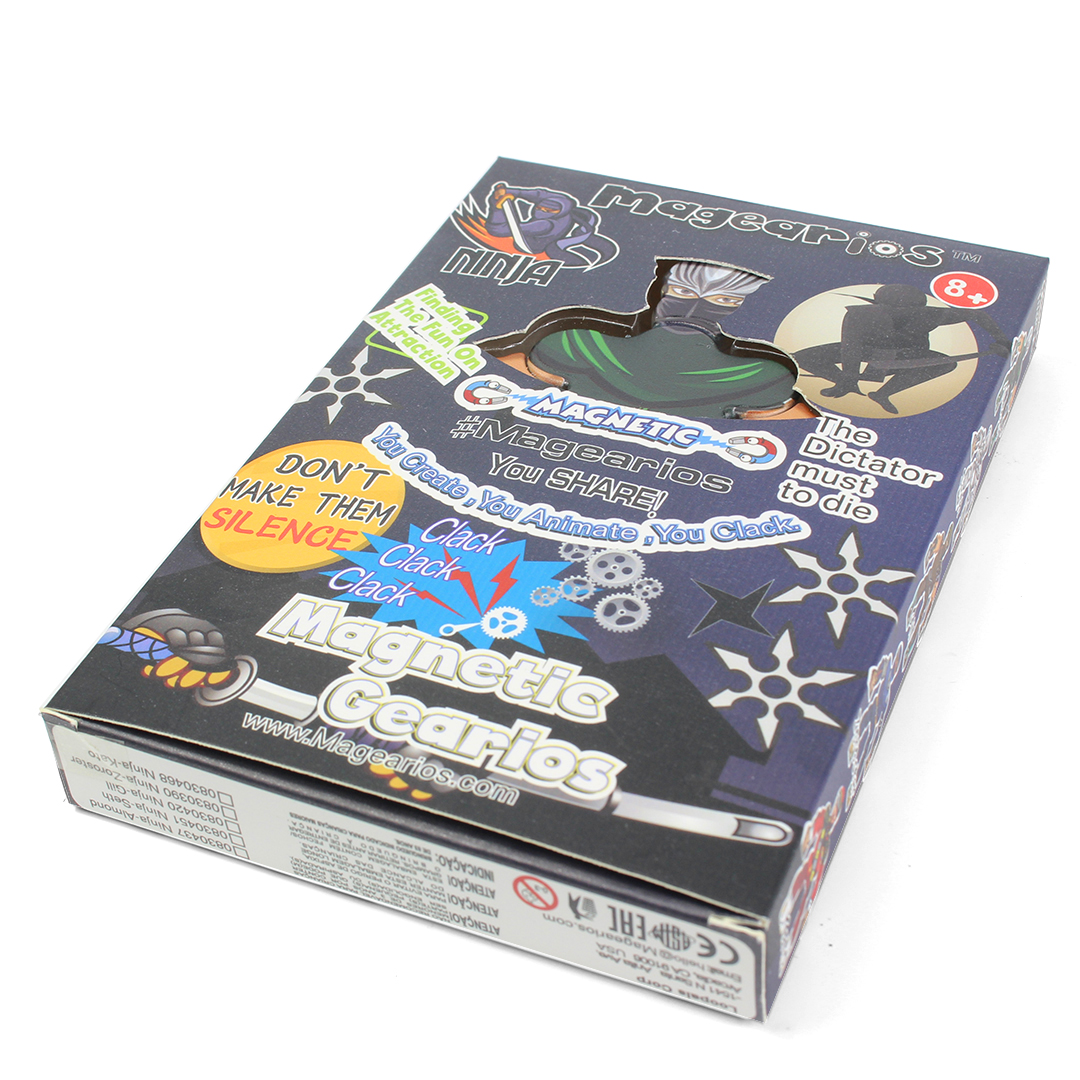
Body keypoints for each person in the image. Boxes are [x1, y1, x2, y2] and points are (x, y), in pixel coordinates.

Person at [485, 261, 811, 420]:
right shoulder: (573, 343)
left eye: (724, 299)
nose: (695, 307)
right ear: (661, 291)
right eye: (682, 291)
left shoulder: (763, 378)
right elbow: (494, 370)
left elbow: (799, 430)